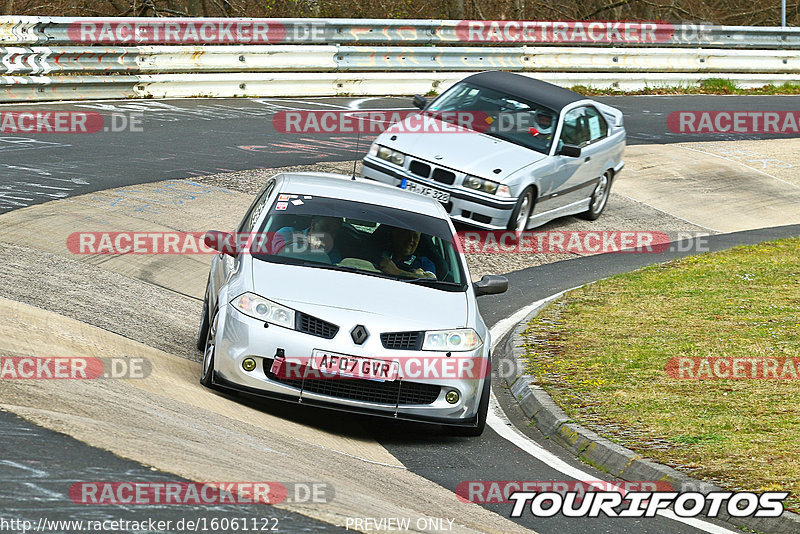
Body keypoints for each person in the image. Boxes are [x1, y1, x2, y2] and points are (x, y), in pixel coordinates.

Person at [271, 215, 342, 263]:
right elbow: (280, 252)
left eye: (334, 231)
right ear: (313, 224)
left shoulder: (334, 255)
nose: (329, 234)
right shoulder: (287, 233)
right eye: (326, 228)